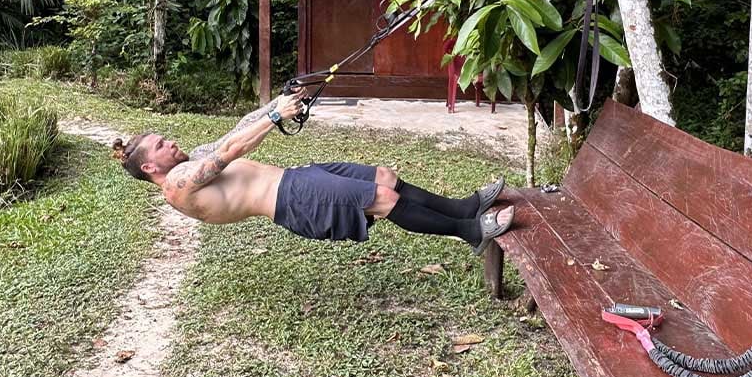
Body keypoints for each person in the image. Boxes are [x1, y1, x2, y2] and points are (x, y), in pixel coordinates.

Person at [111, 90, 514, 255]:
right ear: (150, 167)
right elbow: (233, 149)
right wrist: (273, 116)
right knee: (383, 201)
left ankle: (463, 208)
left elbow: (233, 133)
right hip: (294, 199)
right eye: (161, 146)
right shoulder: (180, 184)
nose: (170, 144)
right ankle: (471, 232)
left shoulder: (188, 162)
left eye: (166, 139)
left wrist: (278, 101)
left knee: (384, 177)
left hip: (297, 179)